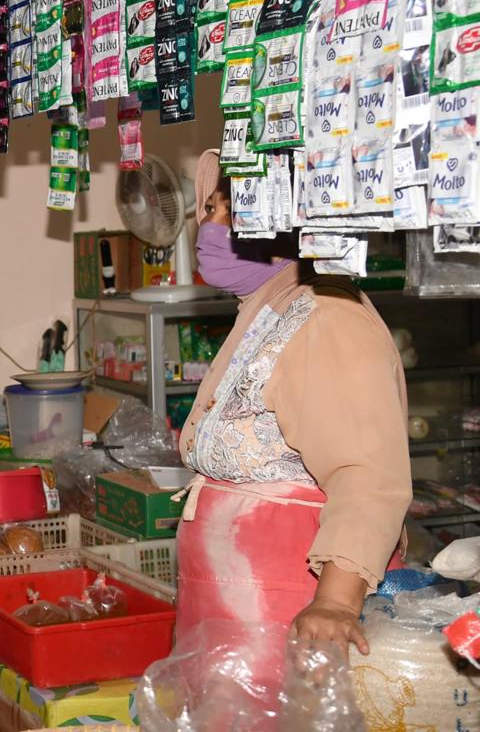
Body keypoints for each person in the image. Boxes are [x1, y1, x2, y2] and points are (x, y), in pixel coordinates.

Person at [177, 149, 412, 658]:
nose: (211, 226)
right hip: (234, 612)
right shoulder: (267, 308)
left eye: (234, 210)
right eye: (210, 208)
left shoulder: (327, 315)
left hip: (294, 614)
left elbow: (367, 475)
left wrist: (336, 602)